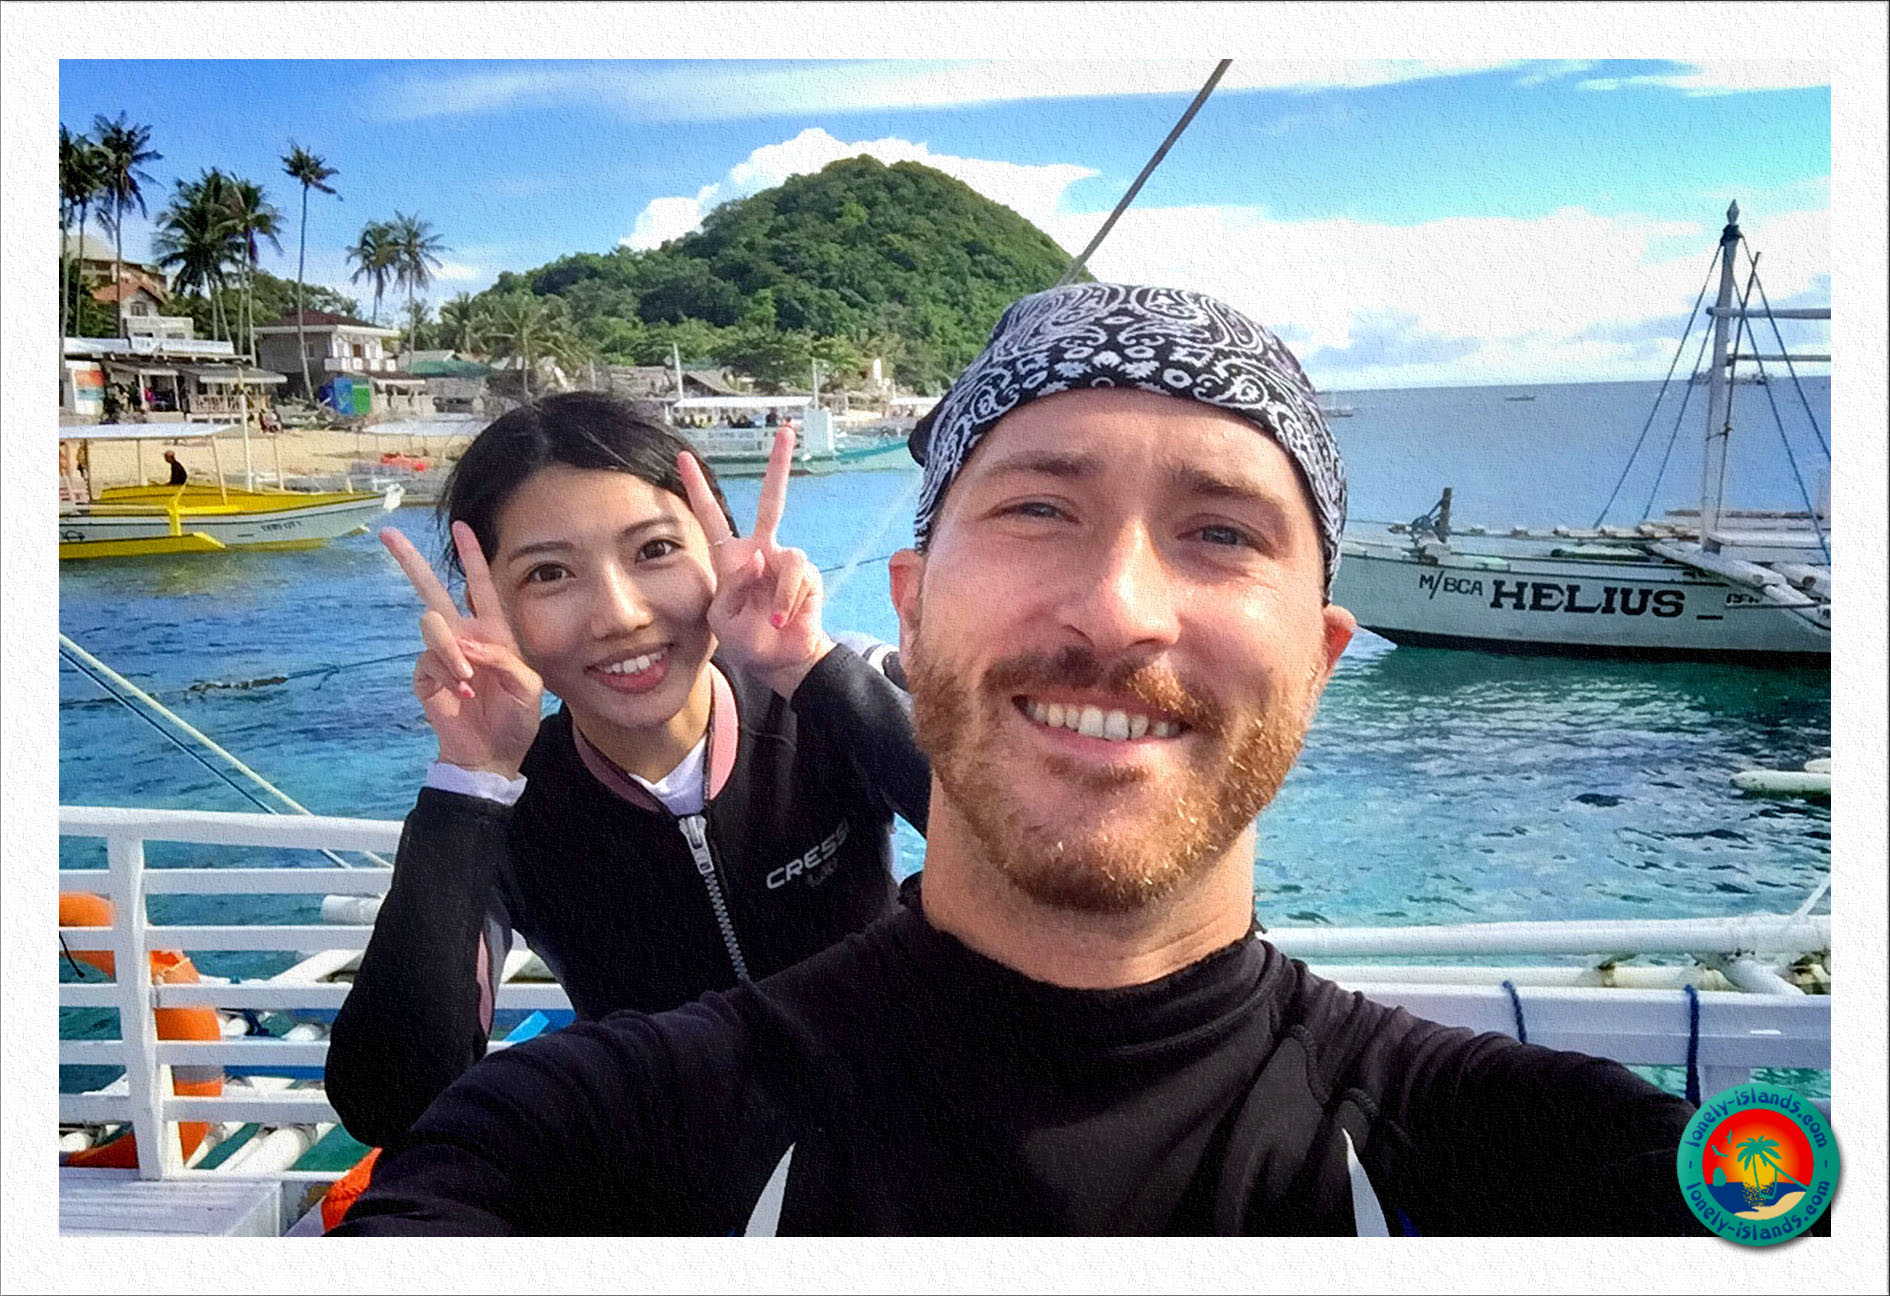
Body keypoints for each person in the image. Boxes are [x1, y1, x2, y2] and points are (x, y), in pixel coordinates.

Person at [335, 286, 1704, 1236]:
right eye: (1039, 508)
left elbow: (973, 804)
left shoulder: (1487, 1146)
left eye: (1222, 532)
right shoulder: (566, 1049)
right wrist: (471, 781)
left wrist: (810, 669)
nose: (1118, 610)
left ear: (1321, 652)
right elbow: (405, 1111)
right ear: (917, 606)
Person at [324, 392, 929, 1150]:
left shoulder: (836, 689)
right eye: (550, 574)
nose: (620, 615)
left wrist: (808, 668)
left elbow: (1022, 843)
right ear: (491, 608)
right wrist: (471, 780)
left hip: (904, 1142)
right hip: (680, 1182)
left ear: (719, 552)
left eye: (655, 551)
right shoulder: (501, 808)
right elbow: (390, 1103)